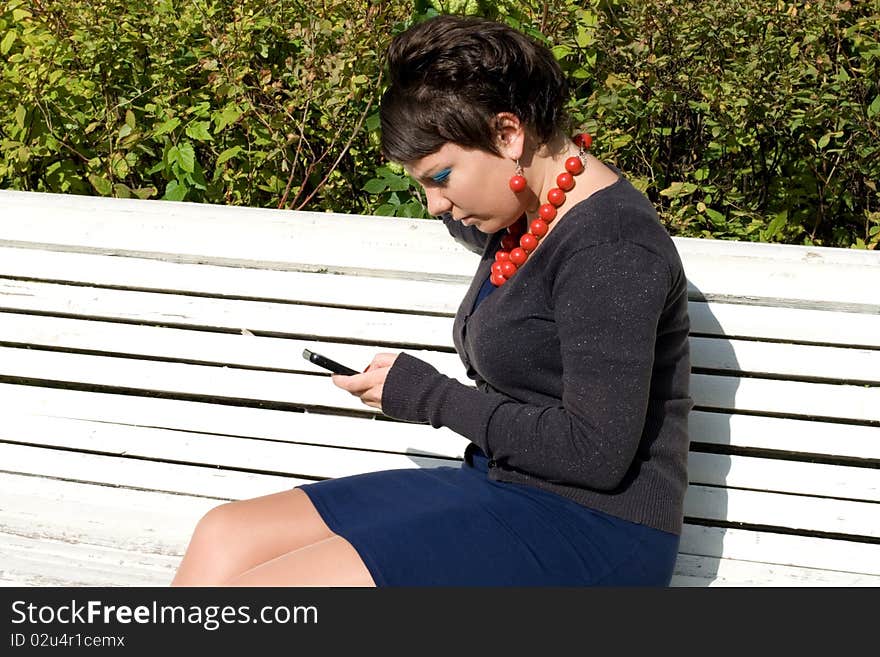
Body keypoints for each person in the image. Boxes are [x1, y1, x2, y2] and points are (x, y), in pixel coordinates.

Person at [170, 14, 692, 587]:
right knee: (226, 532)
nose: (434, 205)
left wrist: (428, 397)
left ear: (508, 134)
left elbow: (594, 452)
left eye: (440, 176)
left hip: (594, 529)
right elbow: (476, 212)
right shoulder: (526, 215)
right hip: (501, 484)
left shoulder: (611, 250)